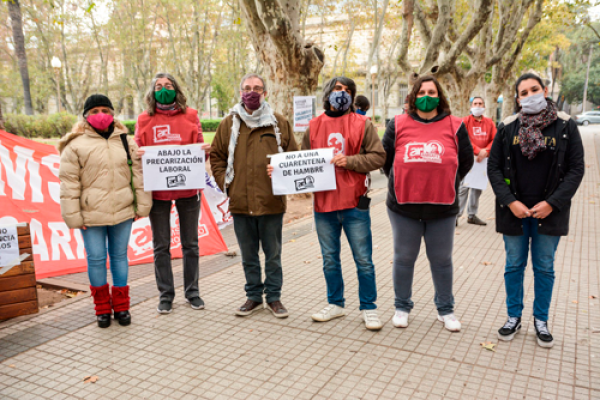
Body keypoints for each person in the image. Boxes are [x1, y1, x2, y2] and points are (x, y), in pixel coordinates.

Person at [488, 73, 584, 348]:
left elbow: (576, 169)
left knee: (544, 268)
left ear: (545, 90)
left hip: (548, 213)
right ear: (517, 98)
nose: (530, 96)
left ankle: (540, 320)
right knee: (514, 266)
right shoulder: (507, 127)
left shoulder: (565, 126)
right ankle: (513, 317)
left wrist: (553, 202)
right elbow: (494, 168)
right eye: (523, 92)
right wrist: (510, 202)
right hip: (515, 212)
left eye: (534, 90)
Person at [382, 75, 473, 332]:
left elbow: (464, 161)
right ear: (413, 95)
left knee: (441, 259)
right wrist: (407, 179)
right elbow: (385, 161)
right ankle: (401, 307)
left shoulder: (455, 125)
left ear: (439, 96)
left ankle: (446, 310)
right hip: (403, 206)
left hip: (442, 206)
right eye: (422, 91)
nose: (426, 96)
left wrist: (443, 180)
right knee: (404, 257)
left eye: (432, 92)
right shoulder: (397, 124)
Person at [59, 94, 152, 328]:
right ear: (86, 115)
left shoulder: (125, 141)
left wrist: (141, 205)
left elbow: (138, 176)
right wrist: (73, 216)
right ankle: (101, 308)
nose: (101, 114)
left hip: (123, 210)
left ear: (113, 113)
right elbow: (69, 183)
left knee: (120, 256)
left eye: (105, 110)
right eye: (95, 110)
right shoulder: (74, 145)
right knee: (97, 258)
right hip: (91, 215)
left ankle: (122, 307)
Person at [301, 77, 386, 330]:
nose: (343, 94)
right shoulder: (314, 126)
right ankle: (335, 304)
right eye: (338, 89)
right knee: (329, 259)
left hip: (354, 204)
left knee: (363, 260)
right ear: (327, 93)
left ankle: (369, 308)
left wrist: (350, 162)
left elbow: (378, 156)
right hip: (324, 206)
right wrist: (281, 173)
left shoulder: (362, 124)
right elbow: (304, 161)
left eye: (348, 91)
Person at [211, 73, 298, 318]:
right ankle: (253, 297)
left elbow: (292, 158)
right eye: (247, 88)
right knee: (249, 256)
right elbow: (216, 156)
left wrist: (280, 172)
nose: (252, 92)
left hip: (271, 202)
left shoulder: (278, 123)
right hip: (240, 202)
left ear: (265, 93)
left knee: (273, 256)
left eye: (257, 88)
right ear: (240, 92)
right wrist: (227, 184)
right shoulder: (228, 124)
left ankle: (273, 298)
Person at [135, 72, 210, 314]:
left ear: (176, 89)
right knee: (161, 245)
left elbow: (199, 147)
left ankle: (193, 293)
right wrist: (139, 155)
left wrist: (204, 150)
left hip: (188, 188)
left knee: (190, 244)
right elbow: (137, 149)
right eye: (158, 86)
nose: (163, 89)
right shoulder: (144, 119)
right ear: (151, 91)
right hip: (157, 192)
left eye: (168, 85)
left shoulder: (191, 116)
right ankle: (165, 295)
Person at [457, 96, 497, 226]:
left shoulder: (490, 123)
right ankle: (456, 216)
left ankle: (472, 215)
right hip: (468, 158)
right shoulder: (465, 121)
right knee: (464, 187)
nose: (478, 106)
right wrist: (477, 151)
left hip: (483, 160)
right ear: (471, 106)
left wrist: (486, 151)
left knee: (477, 188)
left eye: (480, 103)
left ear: (484, 106)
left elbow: (495, 139)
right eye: (475, 103)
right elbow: (463, 139)